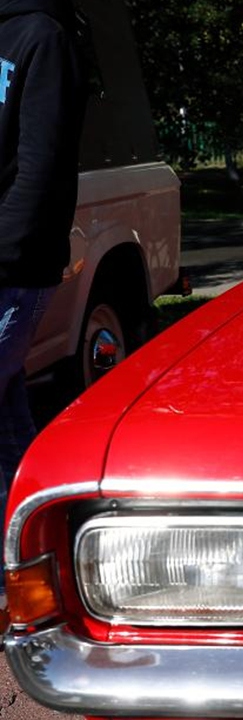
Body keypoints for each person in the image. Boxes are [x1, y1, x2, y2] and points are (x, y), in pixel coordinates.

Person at [0, 0, 84, 501]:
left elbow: (41, 167)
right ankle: (27, 557)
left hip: (15, 265)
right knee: (7, 423)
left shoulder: (44, 36)